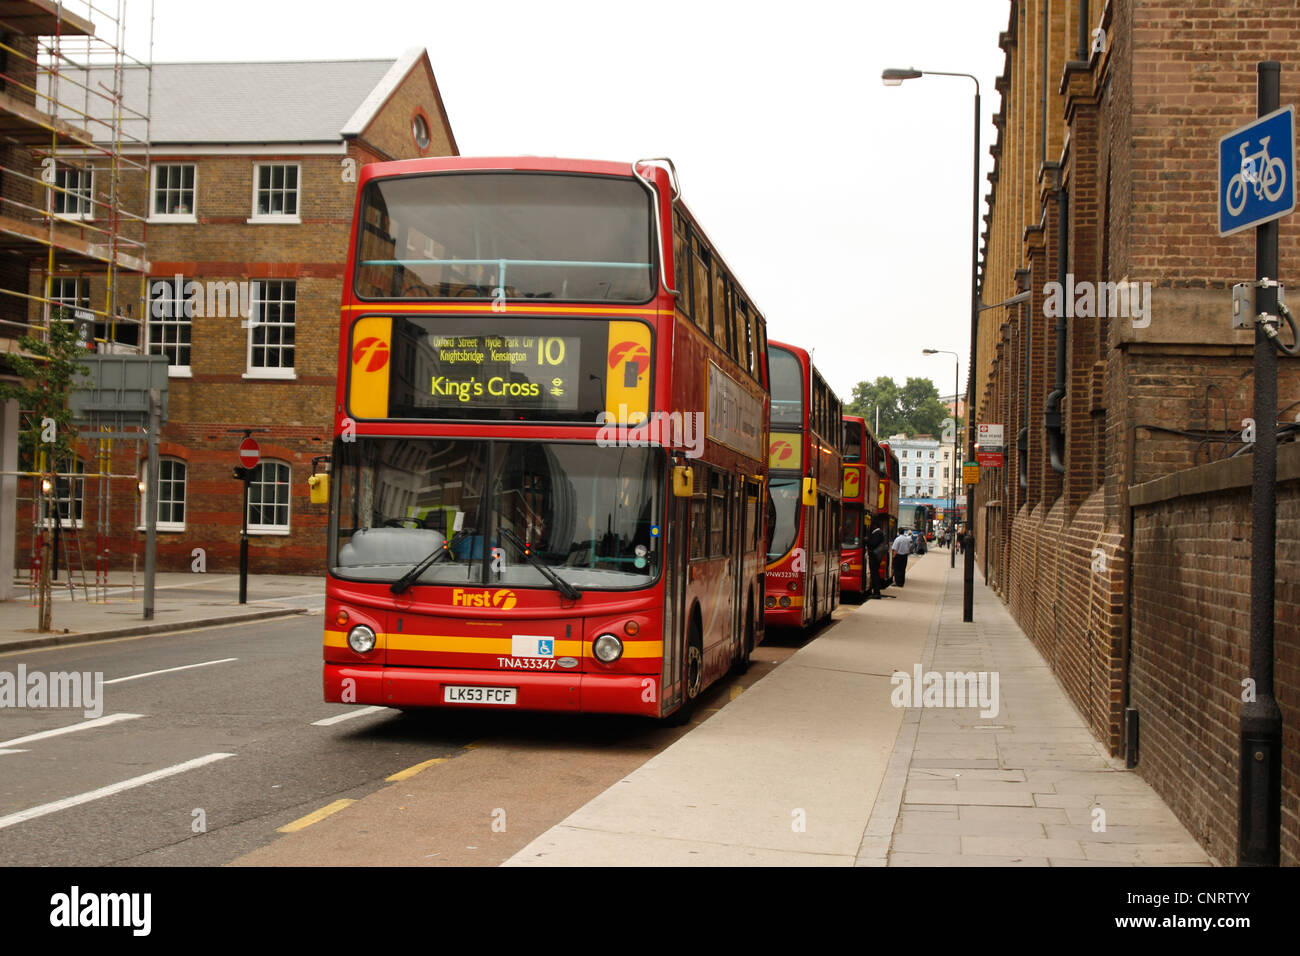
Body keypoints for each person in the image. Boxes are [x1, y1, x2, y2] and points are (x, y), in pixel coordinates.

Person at [866, 527, 888, 598]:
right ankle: (876, 592)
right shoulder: (879, 533)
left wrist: (867, 540)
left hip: (874, 556)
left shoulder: (877, 533)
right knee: (875, 574)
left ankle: (876, 593)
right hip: (876, 556)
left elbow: (873, 544)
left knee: (874, 574)